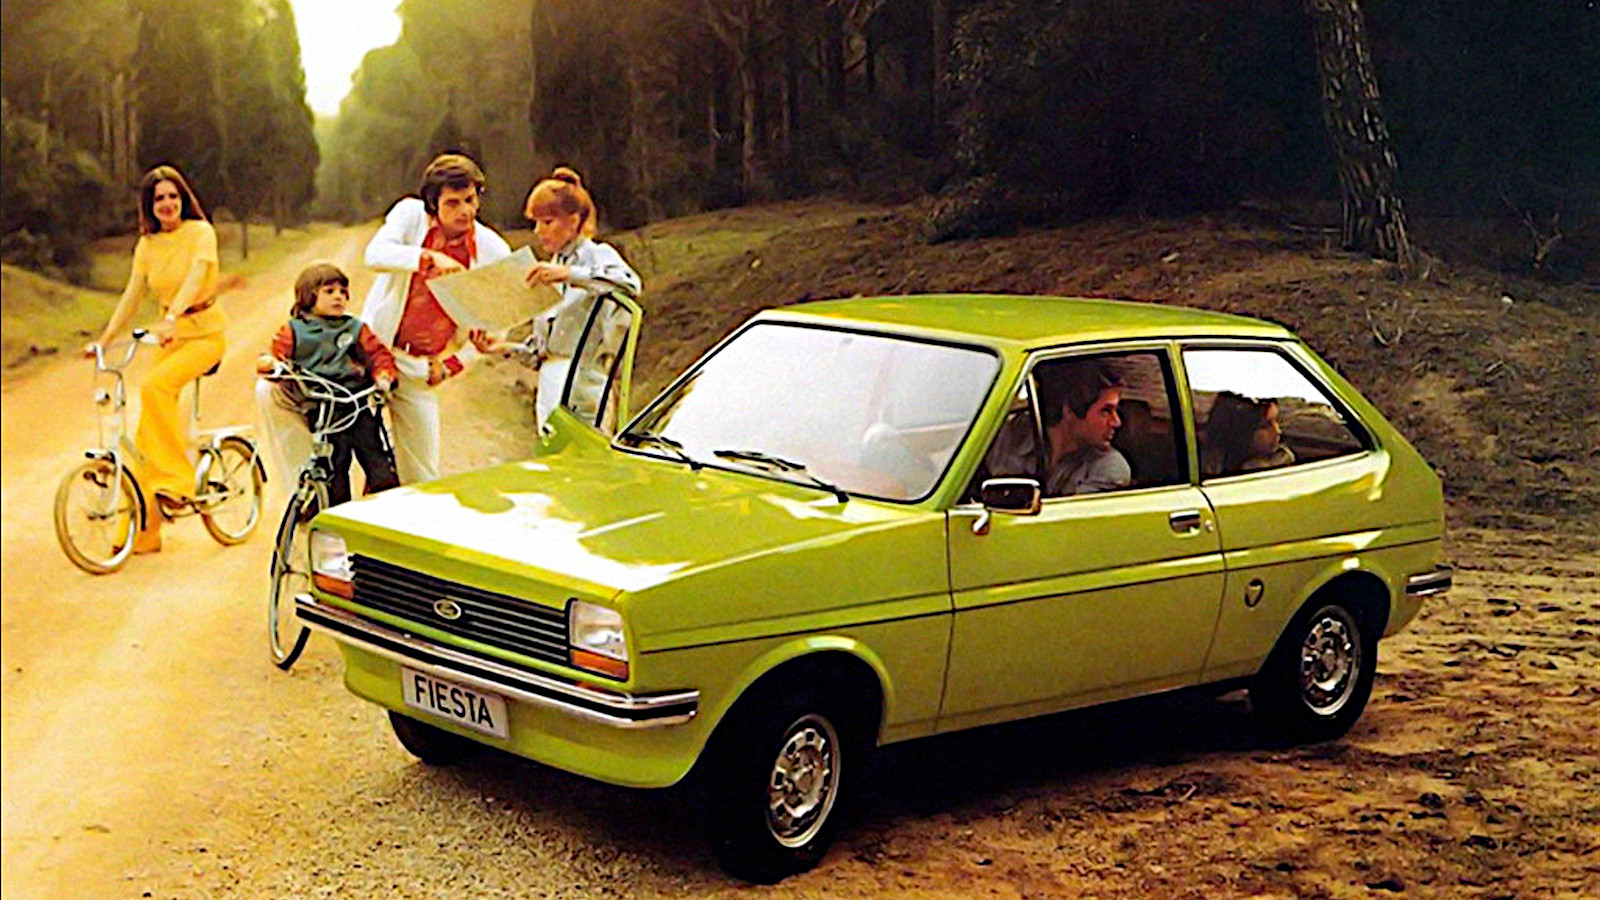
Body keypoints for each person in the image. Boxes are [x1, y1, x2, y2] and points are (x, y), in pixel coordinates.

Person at [86, 165, 226, 553]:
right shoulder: (147, 245)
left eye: (172, 196)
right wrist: (104, 340)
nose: (167, 204)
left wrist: (172, 316)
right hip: (171, 337)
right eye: (159, 198)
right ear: (149, 206)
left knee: (154, 386)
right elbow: (133, 294)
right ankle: (145, 531)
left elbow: (196, 278)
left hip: (205, 334)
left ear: (183, 199)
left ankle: (176, 483)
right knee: (146, 434)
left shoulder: (201, 233)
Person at [358, 152, 512, 483]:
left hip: (420, 366)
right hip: (373, 352)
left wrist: (454, 364)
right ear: (432, 204)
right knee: (343, 448)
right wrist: (428, 259)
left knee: (423, 477)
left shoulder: (493, 250)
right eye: (453, 203)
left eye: (470, 200)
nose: (465, 211)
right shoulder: (409, 215)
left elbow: (500, 324)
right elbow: (374, 254)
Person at [470, 167, 641, 429]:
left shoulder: (596, 255)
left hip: (584, 381)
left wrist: (571, 275)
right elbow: (541, 352)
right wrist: (501, 348)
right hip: (550, 385)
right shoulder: (551, 268)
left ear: (573, 221)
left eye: (548, 222)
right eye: (535, 223)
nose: (539, 231)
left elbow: (629, 283)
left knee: (581, 450)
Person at [256, 264, 399, 507]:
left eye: (343, 292)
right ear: (309, 295)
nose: (338, 297)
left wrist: (384, 376)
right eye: (329, 291)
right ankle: (339, 521)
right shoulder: (294, 331)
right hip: (324, 410)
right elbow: (276, 356)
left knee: (379, 466)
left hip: (357, 405)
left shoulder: (355, 328)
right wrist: (270, 365)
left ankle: (387, 514)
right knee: (334, 473)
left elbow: (379, 355)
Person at [983, 359, 1132, 497]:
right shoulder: (1012, 434)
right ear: (1070, 410)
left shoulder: (1109, 468)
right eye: (1106, 411)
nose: (1116, 422)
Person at [1201, 391, 1296, 476]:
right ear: (1242, 433)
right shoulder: (1210, 469)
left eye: (1276, 421)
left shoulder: (1283, 459)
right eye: (1265, 426)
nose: (1278, 431)